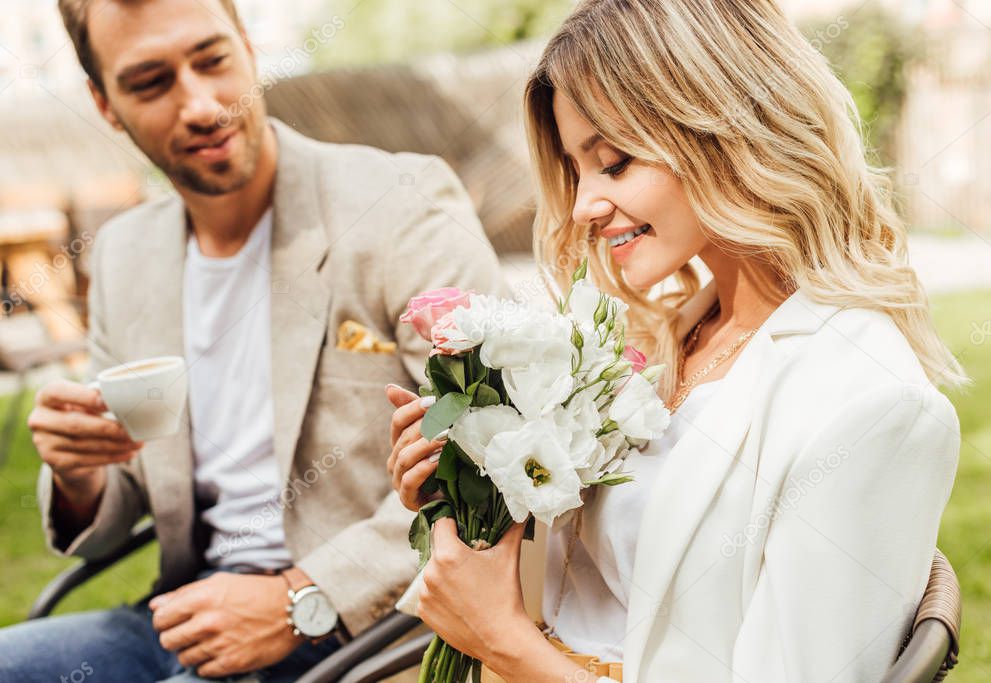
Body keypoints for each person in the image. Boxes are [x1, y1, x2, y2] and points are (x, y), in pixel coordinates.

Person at [385, 1, 966, 681]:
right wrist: (466, 488)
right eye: (576, 170)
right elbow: (597, 590)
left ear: (723, 130)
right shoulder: (669, 339)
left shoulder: (870, 406)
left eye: (614, 162)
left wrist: (504, 641)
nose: (582, 207)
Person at [0, 0, 505, 681]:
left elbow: (493, 456)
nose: (200, 105)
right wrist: (80, 472)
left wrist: (299, 598)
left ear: (248, 48)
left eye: (212, 60)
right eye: (150, 83)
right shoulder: (124, 255)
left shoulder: (400, 202)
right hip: (180, 617)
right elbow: (127, 487)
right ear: (105, 105)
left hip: (363, 630)